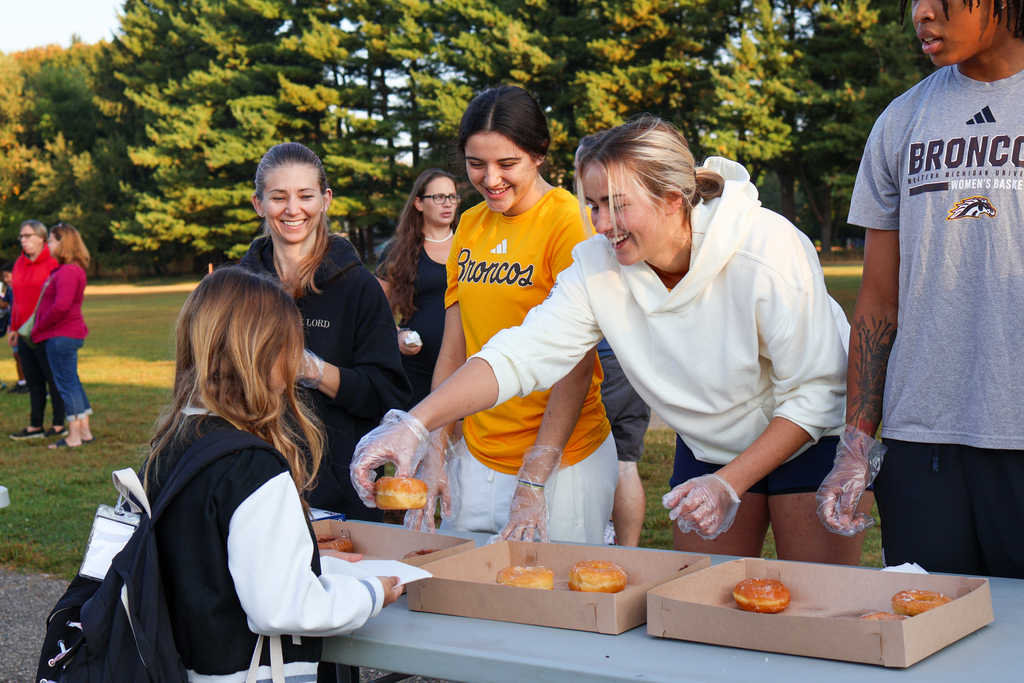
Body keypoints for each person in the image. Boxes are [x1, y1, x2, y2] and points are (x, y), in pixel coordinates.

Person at [355, 116, 870, 564]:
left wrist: (731, 481)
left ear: (672, 201)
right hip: (707, 442)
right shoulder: (598, 265)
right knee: (710, 614)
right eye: (593, 205)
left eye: (616, 206)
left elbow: (815, 391)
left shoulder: (766, 250)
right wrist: (416, 425)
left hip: (806, 436)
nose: (601, 225)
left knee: (814, 605)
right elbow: (521, 352)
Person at [817, 0, 1024, 579]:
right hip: (920, 440)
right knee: (931, 635)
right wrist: (856, 442)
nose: (921, 13)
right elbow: (879, 299)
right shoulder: (902, 120)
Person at [354, 85, 615, 545]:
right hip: (475, 455)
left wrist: (536, 474)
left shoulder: (570, 222)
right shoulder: (471, 224)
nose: (490, 179)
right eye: (477, 164)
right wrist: (437, 447)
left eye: (507, 164)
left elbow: (575, 363)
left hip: (563, 459)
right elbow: (455, 349)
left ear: (538, 154)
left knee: (551, 600)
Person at [140, 266, 402, 682]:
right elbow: (282, 607)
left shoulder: (170, 445)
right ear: (264, 353)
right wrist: (371, 593)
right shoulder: (253, 468)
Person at [240, 142, 411, 520]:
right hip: (252, 485)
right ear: (258, 203)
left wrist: (314, 372)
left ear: (325, 199)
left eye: (305, 196)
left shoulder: (359, 287)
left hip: (336, 496)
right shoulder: (238, 287)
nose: (292, 209)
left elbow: (387, 396)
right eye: (278, 197)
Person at [376, 169, 461, 408]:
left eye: (452, 197)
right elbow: (373, 307)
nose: (447, 204)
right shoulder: (399, 250)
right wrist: (397, 335)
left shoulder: (472, 244)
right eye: (438, 197)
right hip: (417, 373)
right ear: (418, 203)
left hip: (467, 368)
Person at [29, 223, 95, 449]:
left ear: (63, 242)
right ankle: (84, 431)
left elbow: (60, 307)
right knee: (72, 382)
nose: (48, 243)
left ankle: (74, 436)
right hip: (67, 334)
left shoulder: (67, 271)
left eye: (51, 239)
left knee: (66, 385)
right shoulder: (71, 269)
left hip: (61, 336)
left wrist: (38, 329)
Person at [8, 220, 66, 440]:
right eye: (21, 236)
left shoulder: (53, 263)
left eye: (28, 235)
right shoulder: (18, 264)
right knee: (33, 381)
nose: (23, 240)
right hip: (23, 333)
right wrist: (14, 327)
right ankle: (35, 425)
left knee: (53, 379)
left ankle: (59, 424)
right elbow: (17, 300)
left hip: (47, 332)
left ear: (42, 238)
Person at [597, 338, 651, 547]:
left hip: (599, 359)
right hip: (637, 360)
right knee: (625, 464)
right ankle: (628, 551)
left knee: (577, 459)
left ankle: (599, 535)